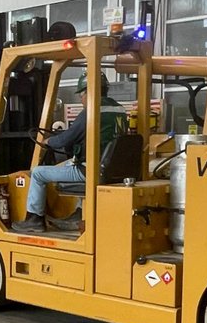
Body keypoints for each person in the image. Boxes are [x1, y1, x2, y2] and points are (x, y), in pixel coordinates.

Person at [15, 72, 127, 233]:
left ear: (88, 91)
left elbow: (65, 140)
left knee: (38, 173)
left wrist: (48, 141)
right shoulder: (119, 109)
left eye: (81, 95)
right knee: (67, 163)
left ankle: (34, 219)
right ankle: (80, 213)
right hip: (112, 167)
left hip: (90, 169)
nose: (81, 100)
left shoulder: (91, 111)